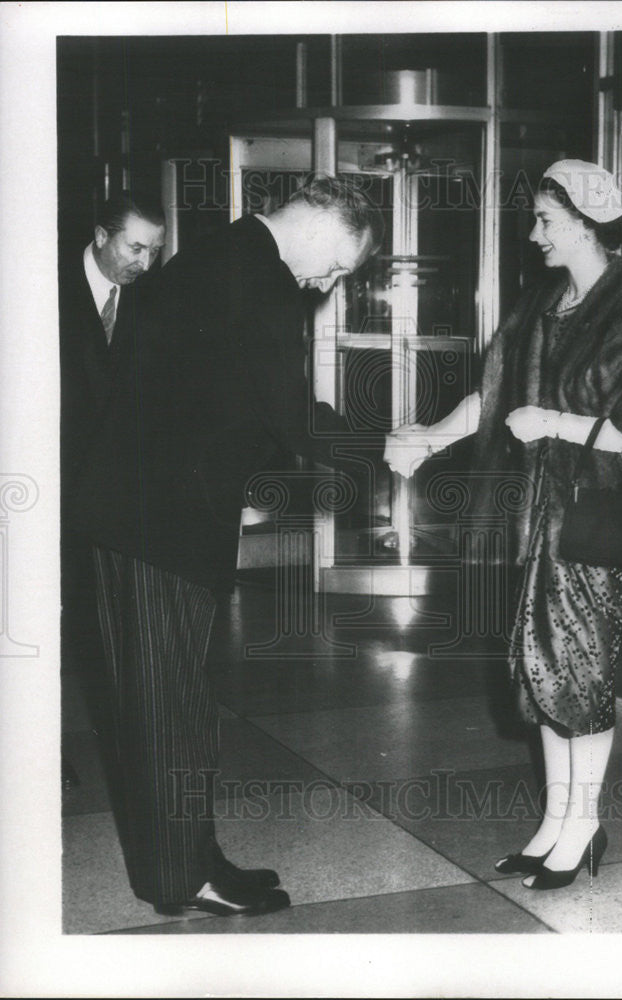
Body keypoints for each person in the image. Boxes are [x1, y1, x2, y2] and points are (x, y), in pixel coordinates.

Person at [67, 176, 385, 917]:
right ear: (321, 221)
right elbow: (291, 415)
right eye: (339, 265)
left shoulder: (218, 254)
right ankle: (183, 879)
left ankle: (184, 860)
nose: (329, 282)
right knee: (170, 711)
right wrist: (386, 442)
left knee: (154, 706)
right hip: (162, 527)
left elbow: (201, 391)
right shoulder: (262, 279)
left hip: (128, 516)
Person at [385, 159, 622, 890]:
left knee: (582, 674)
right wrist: (427, 438)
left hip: (591, 519)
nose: (535, 234)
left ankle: (583, 829)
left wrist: (553, 421)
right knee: (541, 671)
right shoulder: (544, 301)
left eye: (546, 220)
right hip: (535, 518)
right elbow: (492, 393)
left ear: (585, 223)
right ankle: (555, 824)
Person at [60, 192, 167, 791]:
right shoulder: (40, 286)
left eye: (155, 250)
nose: (146, 263)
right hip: (38, 488)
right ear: (101, 235)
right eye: (135, 247)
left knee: (92, 621)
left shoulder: (148, 299)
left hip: (104, 496)